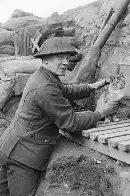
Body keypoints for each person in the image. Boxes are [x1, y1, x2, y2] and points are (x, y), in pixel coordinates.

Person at [0, 37, 118, 196]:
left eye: (67, 58)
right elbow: (70, 122)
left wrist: (90, 87)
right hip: (23, 157)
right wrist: (99, 113)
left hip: (10, 145)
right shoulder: (45, 86)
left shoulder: (44, 75)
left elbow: (64, 91)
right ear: (46, 59)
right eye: (60, 57)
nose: (65, 62)